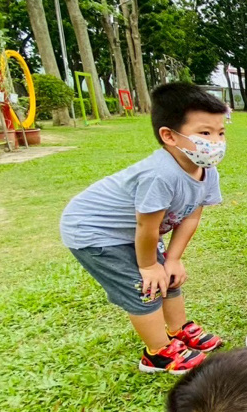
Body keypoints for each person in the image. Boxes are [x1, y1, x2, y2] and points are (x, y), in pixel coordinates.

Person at [60, 82, 226, 375]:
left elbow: (191, 217)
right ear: (169, 136)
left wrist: (172, 259)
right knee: (145, 286)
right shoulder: (159, 175)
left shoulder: (207, 172)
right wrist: (149, 266)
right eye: (204, 133)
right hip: (96, 232)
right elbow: (145, 226)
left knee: (168, 276)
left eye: (220, 133)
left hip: (139, 233)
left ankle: (177, 329)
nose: (215, 142)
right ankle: (157, 353)